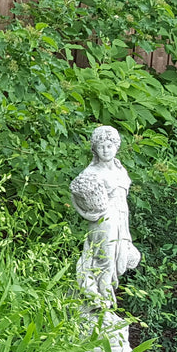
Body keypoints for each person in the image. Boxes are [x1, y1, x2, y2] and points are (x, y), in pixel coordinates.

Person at [69, 125, 141, 309]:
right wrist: (90, 213)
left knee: (118, 260)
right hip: (104, 221)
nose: (105, 150)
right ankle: (100, 298)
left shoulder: (120, 169)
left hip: (121, 219)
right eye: (101, 147)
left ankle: (103, 297)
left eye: (109, 146)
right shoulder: (91, 174)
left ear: (116, 146)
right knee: (104, 259)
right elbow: (76, 196)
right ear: (95, 149)